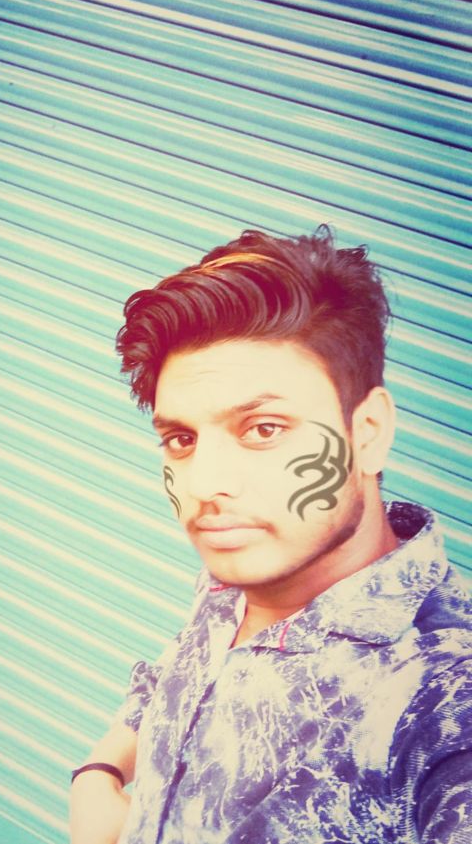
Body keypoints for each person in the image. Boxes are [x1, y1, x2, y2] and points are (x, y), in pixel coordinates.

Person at [69, 226, 472, 844]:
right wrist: (98, 775)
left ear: (368, 431)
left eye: (263, 429)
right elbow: (175, 676)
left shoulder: (441, 697)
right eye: (182, 439)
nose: (206, 485)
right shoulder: (245, 563)